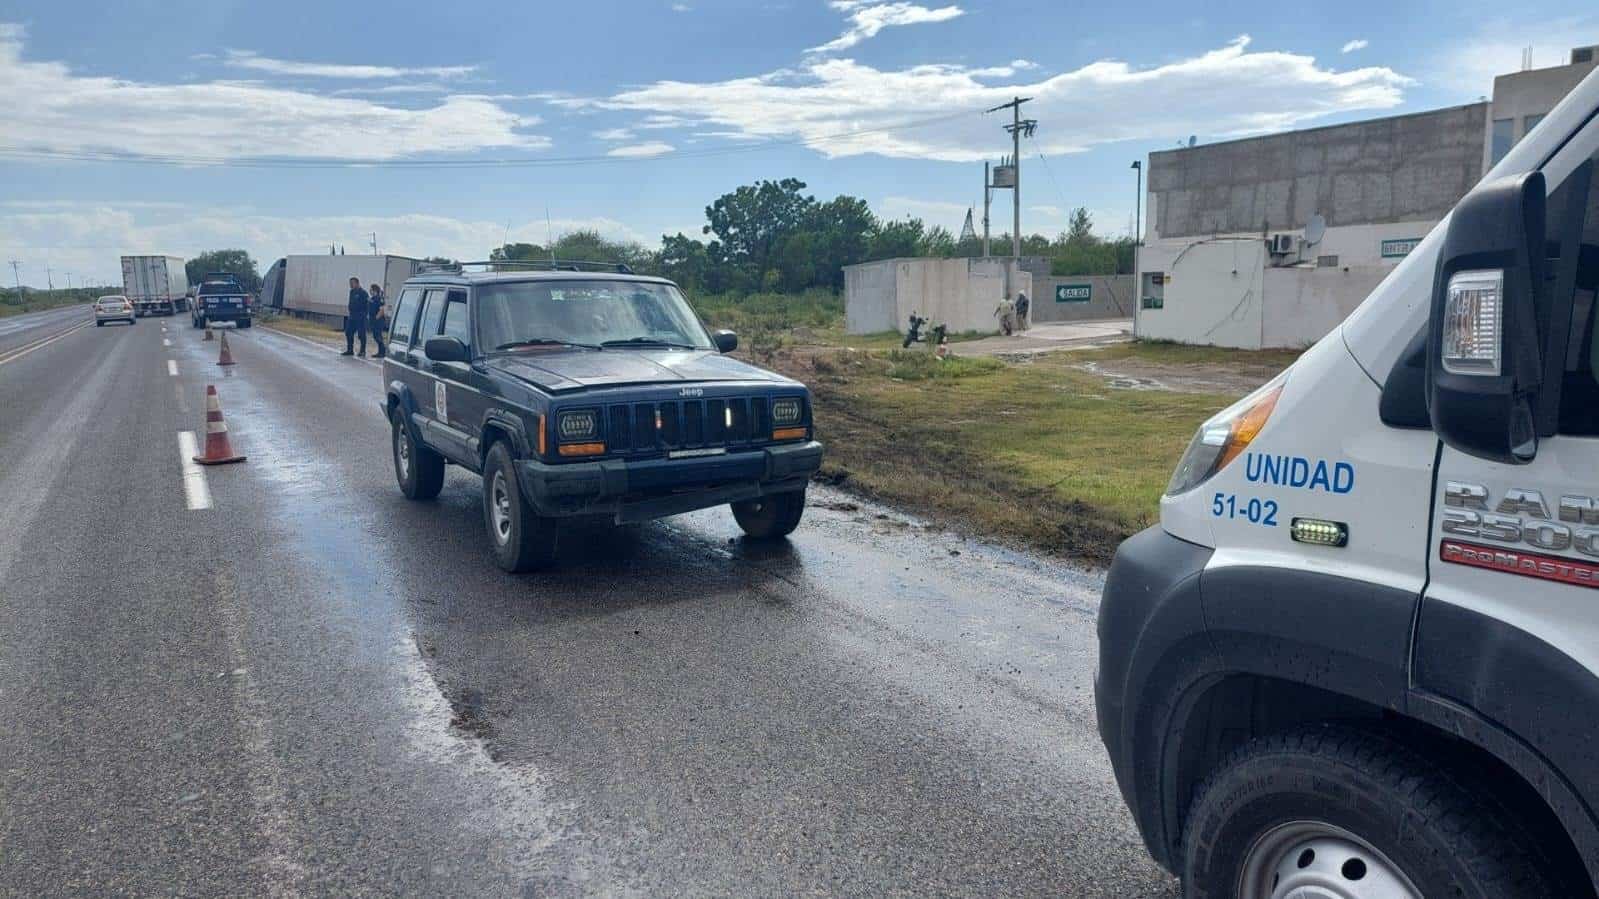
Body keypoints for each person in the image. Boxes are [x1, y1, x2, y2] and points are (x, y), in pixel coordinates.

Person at [342, 277, 369, 356]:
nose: (350, 285)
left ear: (357, 283)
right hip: (352, 316)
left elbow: (367, 306)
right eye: (350, 283)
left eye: (352, 283)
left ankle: (362, 351)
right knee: (348, 332)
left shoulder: (363, 293)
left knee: (361, 334)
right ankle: (350, 350)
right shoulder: (352, 292)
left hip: (360, 317)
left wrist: (364, 315)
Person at [368, 283, 388, 359]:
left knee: (378, 336)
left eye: (371, 289)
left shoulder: (379, 298)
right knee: (376, 336)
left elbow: (381, 310)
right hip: (373, 321)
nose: (370, 291)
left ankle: (382, 352)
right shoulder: (372, 298)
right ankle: (380, 352)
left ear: (374, 290)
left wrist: (376, 319)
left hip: (378, 321)